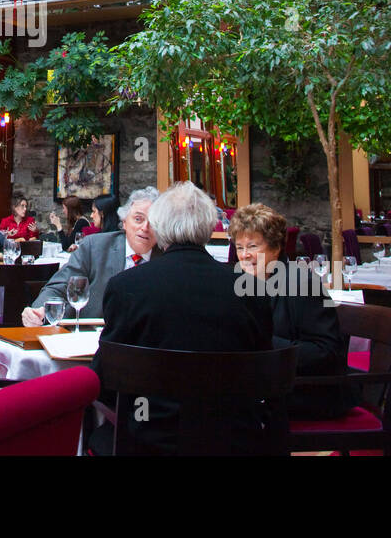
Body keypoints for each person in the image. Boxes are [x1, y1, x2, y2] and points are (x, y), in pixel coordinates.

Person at [94, 181, 274, 454]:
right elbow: (262, 371)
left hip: (148, 440)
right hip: (234, 440)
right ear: (208, 226)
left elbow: (106, 376)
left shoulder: (127, 286)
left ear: (160, 227)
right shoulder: (250, 288)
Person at [230, 203, 350, 420]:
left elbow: (326, 353)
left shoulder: (303, 284)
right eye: (239, 247)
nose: (245, 255)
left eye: (253, 246)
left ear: (275, 247)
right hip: (264, 385)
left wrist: (263, 343)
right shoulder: (241, 284)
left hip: (307, 392)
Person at [22, 187, 159, 326]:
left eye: (154, 221)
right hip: (91, 337)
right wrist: (41, 312)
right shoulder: (95, 248)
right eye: (138, 219)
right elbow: (56, 289)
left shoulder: (169, 256)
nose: (145, 227)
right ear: (124, 221)